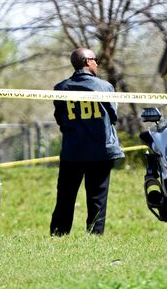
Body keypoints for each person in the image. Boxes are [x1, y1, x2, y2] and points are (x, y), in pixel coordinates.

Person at [50, 48, 125, 236]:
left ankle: (59, 234)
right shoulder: (105, 87)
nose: (97, 63)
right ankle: (95, 235)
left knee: (65, 197)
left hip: (72, 151)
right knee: (97, 198)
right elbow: (113, 116)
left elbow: (60, 118)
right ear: (87, 62)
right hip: (101, 151)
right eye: (95, 60)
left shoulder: (61, 88)